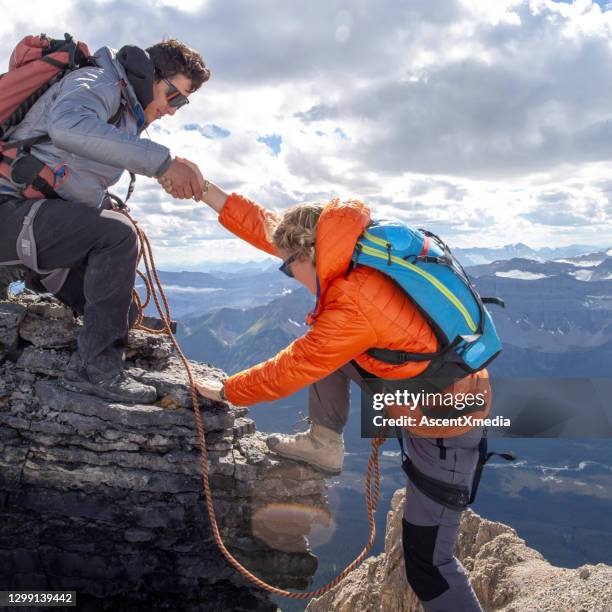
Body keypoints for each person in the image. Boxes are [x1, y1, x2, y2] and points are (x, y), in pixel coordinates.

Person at [168, 175, 491, 611]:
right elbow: (268, 227)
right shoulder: (351, 246)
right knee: (324, 341)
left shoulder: (352, 301)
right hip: (435, 395)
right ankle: (323, 442)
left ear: (306, 254)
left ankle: (324, 441)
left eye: (288, 266)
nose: (287, 273)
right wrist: (204, 188)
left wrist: (225, 389)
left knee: (429, 563)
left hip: (446, 427)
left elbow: (295, 367)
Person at [0, 38, 210, 404]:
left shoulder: (122, 106)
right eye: (173, 97)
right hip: (10, 214)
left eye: (182, 103)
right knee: (117, 236)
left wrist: (103, 201)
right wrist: (163, 162)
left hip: (28, 223)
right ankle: (95, 372)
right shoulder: (98, 81)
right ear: (152, 76)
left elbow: (61, 170)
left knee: (121, 313)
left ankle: (39, 291)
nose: (173, 111)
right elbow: (67, 126)